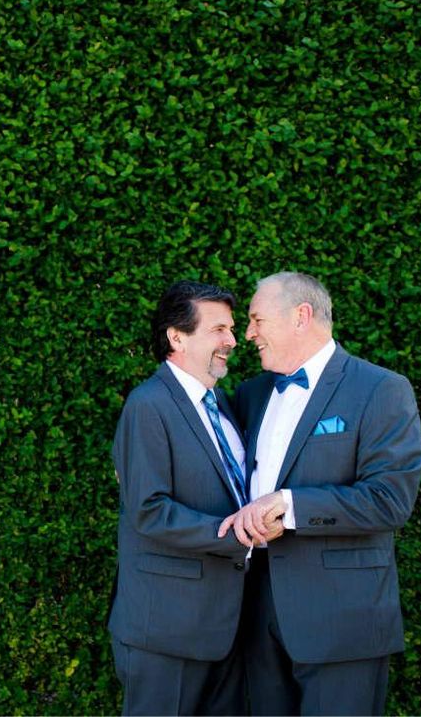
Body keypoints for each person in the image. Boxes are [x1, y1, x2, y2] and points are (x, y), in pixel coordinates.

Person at [219, 271, 421, 716]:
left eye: (256, 320)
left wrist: (289, 506)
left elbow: (389, 499)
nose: (247, 334)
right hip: (256, 615)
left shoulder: (381, 390)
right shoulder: (252, 394)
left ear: (301, 316)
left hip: (342, 619)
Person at [108, 280, 278, 716]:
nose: (232, 341)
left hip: (225, 625)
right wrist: (238, 534)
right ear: (177, 336)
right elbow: (149, 510)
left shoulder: (219, 403)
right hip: (167, 630)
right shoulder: (149, 405)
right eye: (218, 330)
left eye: (233, 329)